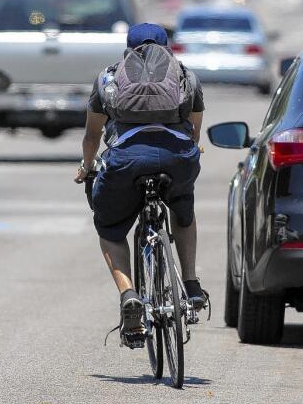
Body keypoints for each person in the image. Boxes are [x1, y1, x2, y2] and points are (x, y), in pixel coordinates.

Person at [73, 22, 207, 346]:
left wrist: (86, 167)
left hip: (127, 162)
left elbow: (92, 135)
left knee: (110, 230)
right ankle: (189, 283)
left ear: (128, 49)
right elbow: (194, 131)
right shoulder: (186, 76)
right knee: (182, 209)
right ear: (167, 49)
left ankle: (129, 294)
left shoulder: (108, 78)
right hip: (178, 159)